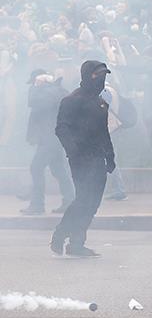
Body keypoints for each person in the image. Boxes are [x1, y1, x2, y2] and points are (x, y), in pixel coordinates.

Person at [50, 61, 115, 258]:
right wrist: (73, 151)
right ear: (87, 75)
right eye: (97, 75)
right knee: (83, 199)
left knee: (93, 203)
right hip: (80, 158)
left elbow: (104, 132)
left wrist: (110, 155)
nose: (102, 79)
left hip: (98, 158)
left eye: (104, 75)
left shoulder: (101, 102)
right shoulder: (71, 100)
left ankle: (77, 244)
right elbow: (61, 128)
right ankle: (60, 233)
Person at [23, 69, 74, 215]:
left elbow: (32, 101)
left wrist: (37, 86)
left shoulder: (47, 92)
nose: (32, 85)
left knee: (36, 168)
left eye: (34, 82)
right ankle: (70, 201)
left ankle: (37, 204)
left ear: (40, 80)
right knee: (59, 170)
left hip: (49, 138)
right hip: (54, 137)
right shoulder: (56, 90)